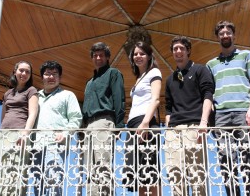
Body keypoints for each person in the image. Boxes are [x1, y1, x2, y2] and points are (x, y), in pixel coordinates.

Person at [206, 20, 250, 196]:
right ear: (218, 37)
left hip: (243, 112)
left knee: (248, 156)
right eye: (221, 33)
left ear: (233, 35)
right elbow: (208, 92)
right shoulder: (211, 64)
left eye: (228, 32)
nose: (225, 35)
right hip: (221, 115)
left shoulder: (246, 55)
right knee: (225, 159)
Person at [164, 36, 214, 196]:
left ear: (188, 51)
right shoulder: (170, 79)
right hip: (173, 130)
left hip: (194, 126)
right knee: (174, 173)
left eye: (181, 48)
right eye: (175, 49)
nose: (178, 51)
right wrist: (167, 131)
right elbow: (168, 109)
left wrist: (204, 123)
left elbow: (208, 95)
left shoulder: (200, 70)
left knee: (196, 172)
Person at [32, 60, 82, 196]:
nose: (51, 77)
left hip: (56, 144)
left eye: (55, 74)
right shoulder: (35, 97)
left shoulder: (67, 95)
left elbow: (76, 118)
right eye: (48, 74)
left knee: (53, 180)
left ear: (60, 77)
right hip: (36, 146)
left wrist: (65, 133)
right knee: (37, 184)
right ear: (42, 76)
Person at [0, 60, 39, 196]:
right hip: (4, 134)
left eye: (27, 71)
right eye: (21, 70)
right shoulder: (8, 93)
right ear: (15, 72)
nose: (24, 73)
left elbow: (32, 114)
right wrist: (1, 132)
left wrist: (25, 134)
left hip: (19, 134)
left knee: (13, 169)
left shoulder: (31, 91)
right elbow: (3, 116)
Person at [82, 42, 125, 196]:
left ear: (107, 57)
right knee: (89, 167)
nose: (98, 58)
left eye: (101, 55)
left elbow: (119, 99)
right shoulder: (89, 82)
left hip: (104, 122)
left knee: (102, 165)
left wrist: (119, 126)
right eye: (95, 55)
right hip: (88, 126)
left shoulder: (113, 73)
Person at [124, 41, 161, 196]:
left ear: (149, 56)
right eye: (135, 54)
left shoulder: (154, 73)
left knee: (149, 168)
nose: (138, 56)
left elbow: (156, 99)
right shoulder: (139, 78)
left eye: (142, 53)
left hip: (145, 122)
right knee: (138, 170)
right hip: (133, 125)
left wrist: (145, 122)